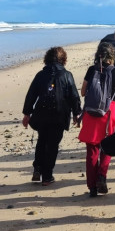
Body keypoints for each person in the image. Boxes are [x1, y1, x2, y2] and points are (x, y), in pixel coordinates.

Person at [22, 46, 82, 186]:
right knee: (53, 145)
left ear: (47, 59)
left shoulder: (40, 75)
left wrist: (27, 113)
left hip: (41, 114)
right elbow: (74, 96)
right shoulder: (67, 75)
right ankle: (47, 176)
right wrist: (76, 113)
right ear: (63, 59)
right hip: (59, 116)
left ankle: (37, 168)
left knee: (42, 140)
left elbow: (31, 95)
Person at [79, 42, 115, 197]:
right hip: (108, 112)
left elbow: (83, 92)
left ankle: (92, 187)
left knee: (91, 151)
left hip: (91, 112)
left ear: (98, 54)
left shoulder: (91, 70)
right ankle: (102, 176)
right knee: (107, 148)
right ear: (112, 56)